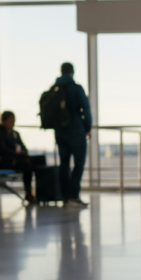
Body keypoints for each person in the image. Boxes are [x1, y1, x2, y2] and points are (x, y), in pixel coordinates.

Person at [54, 62, 92, 209]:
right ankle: (74, 196)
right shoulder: (76, 89)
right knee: (78, 164)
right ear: (72, 72)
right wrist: (87, 127)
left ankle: (65, 198)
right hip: (76, 131)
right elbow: (86, 109)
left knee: (64, 164)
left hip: (60, 132)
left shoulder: (55, 89)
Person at [0, 111, 36, 204]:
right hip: (3, 161)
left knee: (37, 162)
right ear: (4, 121)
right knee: (27, 166)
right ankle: (28, 193)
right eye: (11, 121)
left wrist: (19, 154)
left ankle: (41, 194)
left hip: (16, 159)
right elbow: (1, 150)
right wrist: (16, 154)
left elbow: (23, 147)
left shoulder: (15, 133)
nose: (13, 123)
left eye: (14, 121)